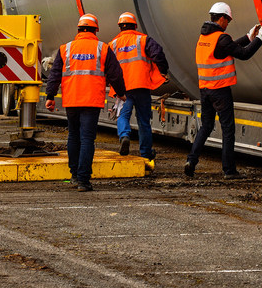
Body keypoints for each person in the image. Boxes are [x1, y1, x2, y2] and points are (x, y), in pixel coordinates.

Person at [184, 1, 262, 179]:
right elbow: (243, 54)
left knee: (206, 126)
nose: (228, 23)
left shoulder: (204, 38)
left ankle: (191, 161)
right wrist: (260, 38)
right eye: (228, 20)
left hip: (205, 90)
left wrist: (249, 37)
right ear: (222, 18)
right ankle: (229, 170)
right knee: (228, 129)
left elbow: (226, 48)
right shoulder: (221, 38)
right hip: (220, 91)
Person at [44, 13, 127, 192]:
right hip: (92, 100)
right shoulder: (102, 48)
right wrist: (121, 93)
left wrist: (50, 96)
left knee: (73, 136)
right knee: (87, 138)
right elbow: (116, 74)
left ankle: (74, 175)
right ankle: (83, 180)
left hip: (71, 100)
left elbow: (55, 74)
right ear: (95, 30)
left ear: (79, 29)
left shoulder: (65, 48)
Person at [109, 11, 169, 160]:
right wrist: (163, 71)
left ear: (120, 27)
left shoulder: (113, 44)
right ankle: (146, 154)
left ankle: (124, 136)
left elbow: (107, 66)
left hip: (123, 89)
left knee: (123, 116)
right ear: (135, 26)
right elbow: (158, 53)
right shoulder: (143, 40)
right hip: (142, 86)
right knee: (144, 121)